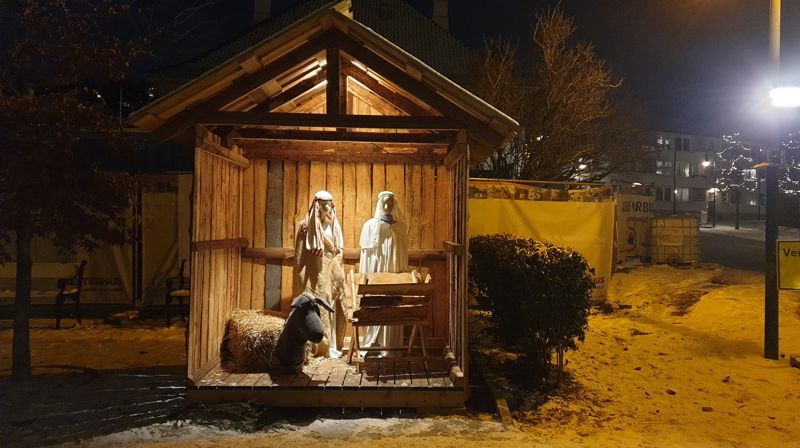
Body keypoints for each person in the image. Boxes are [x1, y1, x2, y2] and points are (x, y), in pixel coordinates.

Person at [294, 190, 347, 358]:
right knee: (313, 306)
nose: (326, 206)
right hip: (312, 274)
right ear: (316, 204)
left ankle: (329, 346)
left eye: (329, 203)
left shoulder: (334, 225)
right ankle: (314, 346)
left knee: (328, 307)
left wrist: (335, 267)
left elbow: (339, 250)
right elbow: (301, 254)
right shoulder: (306, 227)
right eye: (323, 203)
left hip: (330, 273)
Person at [358, 191, 409, 350]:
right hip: (376, 272)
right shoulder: (369, 226)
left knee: (392, 303)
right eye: (385, 203)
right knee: (376, 302)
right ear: (379, 204)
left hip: (394, 272)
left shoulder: (401, 227)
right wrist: (366, 276)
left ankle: (390, 344)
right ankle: (373, 342)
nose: (388, 206)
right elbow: (366, 255)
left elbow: (402, 255)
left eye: (391, 203)